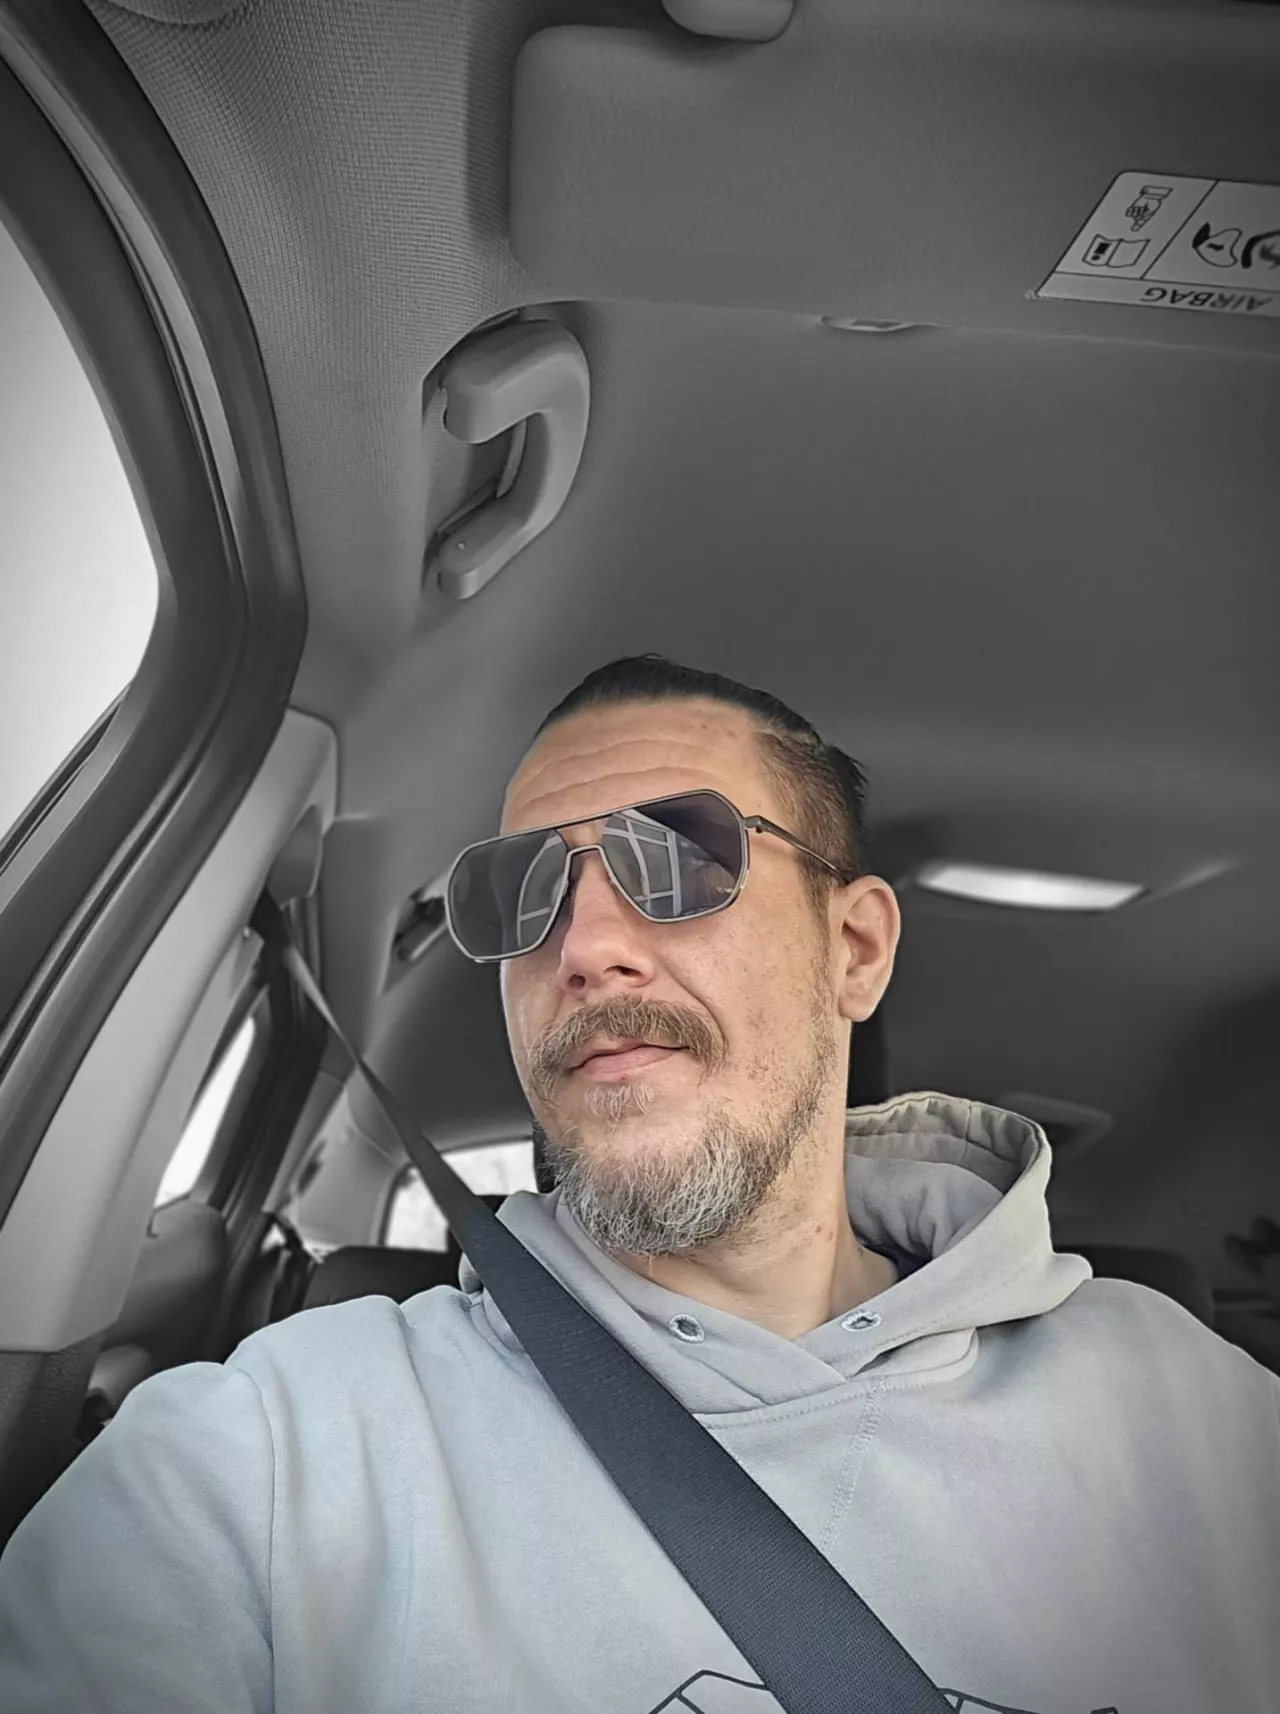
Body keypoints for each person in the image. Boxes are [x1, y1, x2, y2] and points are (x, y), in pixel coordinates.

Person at [1, 654, 1277, 1714]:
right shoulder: (273, 1456)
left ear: (853, 947)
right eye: (519, 889)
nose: (587, 945)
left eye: (675, 857)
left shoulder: (1208, 1428)